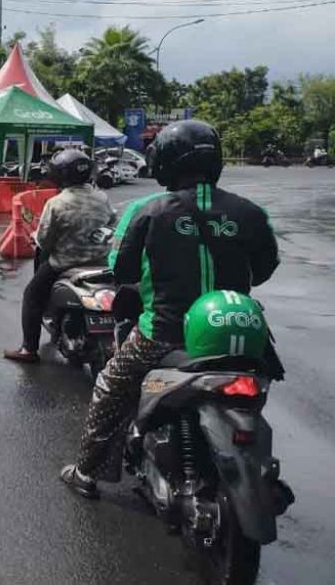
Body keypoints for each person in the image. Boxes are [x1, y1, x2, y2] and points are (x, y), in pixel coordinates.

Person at [59, 120, 280, 499]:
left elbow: (122, 270)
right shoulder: (250, 212)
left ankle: (87, 471)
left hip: (163, 332)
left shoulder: (147, 209)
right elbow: (263, 269)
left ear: (164, 163)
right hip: (243, 334)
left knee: (110, 388)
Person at [4, 149, 116, 363]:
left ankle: (28, 349)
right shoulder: (102, 197)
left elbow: (45, 240)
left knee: (32, 295)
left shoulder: (56, 203)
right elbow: (112, 224)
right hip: (101, 263)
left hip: (64, 264)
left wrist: (36, 237)